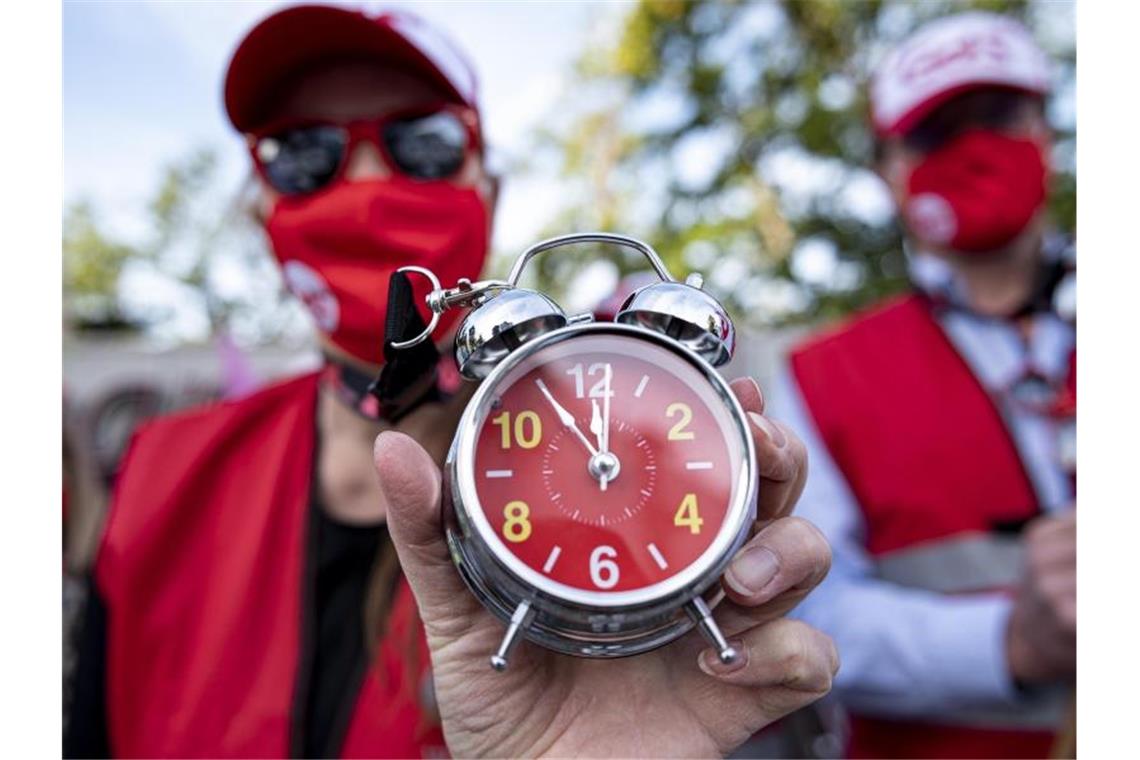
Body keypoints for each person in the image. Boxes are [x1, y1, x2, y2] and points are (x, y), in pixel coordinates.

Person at [66, 5, 837, 758]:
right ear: (261, 203)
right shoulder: (157, 474)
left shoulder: (625, 456)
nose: (366, 181)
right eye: (303, 152)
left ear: (489, 190)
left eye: (423, 142)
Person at [773, 12, 1076, 759]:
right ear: (887, 168)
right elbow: (810, 615)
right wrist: (1007, 644)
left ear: (1047, 130)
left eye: (999, 115)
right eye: (937, 133)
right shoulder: (821, 372)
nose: (973, 147)